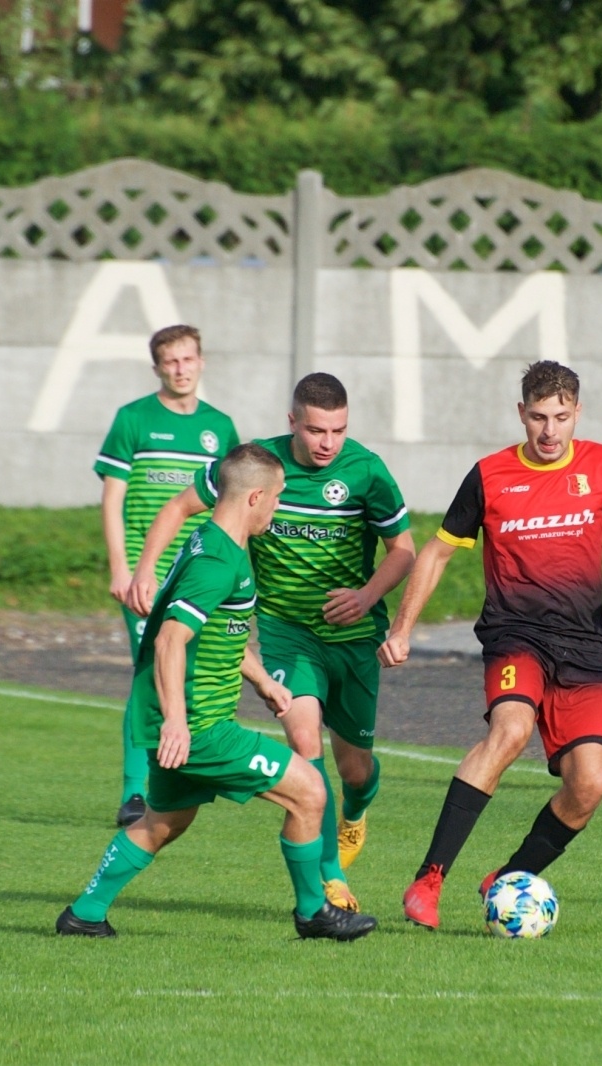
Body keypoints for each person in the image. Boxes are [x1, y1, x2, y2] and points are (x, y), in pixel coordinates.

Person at [379, 360, 602, 930]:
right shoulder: (489, 476)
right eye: (538, 417)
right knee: (509, 731)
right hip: (516, 636)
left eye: (560, 417)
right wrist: (403, 627)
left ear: (577, 413)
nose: (549, 431)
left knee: (591, 783)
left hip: (583, 648)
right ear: (521, 414)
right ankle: (430, 878)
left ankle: (509, 876)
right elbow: (435, 554)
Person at [56, 444, 377, 941]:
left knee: (165, 822)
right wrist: (178, 721)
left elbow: (218, 629)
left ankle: (85, 913)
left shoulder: (211, 542)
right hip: (200, 725)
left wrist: (263, 679)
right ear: (254, 498)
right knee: (310, 792)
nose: (278, 507)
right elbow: (169, 638)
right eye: (276, 498)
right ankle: (314, 912)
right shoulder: (218, 563)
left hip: (181, 717)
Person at [128, 373, 415, 914]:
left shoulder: (366, 471)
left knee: (355, 770)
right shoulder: (260, 469)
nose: (327, 442)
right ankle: (330, 880)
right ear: (292, 423)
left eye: (338, 430)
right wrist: (147, 571)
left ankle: (355, 812)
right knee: (305, 746)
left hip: (352, 638)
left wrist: (366, 593)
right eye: (315, 430)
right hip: (287, 634)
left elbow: (404, 548)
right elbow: (175, 509)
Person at [95, 325, 240, 827]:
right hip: (147, 572)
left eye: (188, 359)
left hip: (201, 570)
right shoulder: (133, 419)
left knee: (196, 667)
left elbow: (237, 499)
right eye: (170, 362)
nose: (180, 369)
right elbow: (113, 497)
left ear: (202, 361)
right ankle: (136, 792)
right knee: (150, 671)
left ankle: (184, 772)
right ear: (157, 367)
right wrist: (126, 567)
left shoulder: (219, 427)